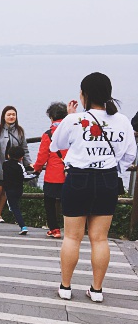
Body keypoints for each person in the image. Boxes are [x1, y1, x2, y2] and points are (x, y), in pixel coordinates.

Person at [51, 72, 137, 303]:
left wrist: (71, 117)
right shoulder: (123, 121)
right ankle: (97, 290)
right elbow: (130, 155)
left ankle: (66, 287)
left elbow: (55, 145)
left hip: (78, 178)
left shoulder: (74, 119)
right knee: (100, 239)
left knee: (72, 237)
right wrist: (114, 169)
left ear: (84, 95)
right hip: (107, 179)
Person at [0, 106, 32, 223]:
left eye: (13, 114)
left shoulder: (20, 131)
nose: (11, 117)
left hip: (13, 167)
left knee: (6, 191)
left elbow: (24, 149)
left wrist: (29, 164)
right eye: (9, 114)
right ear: (3, 116)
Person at [32, 102, 69, 238]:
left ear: (52, 117)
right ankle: (71, 229)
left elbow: (42, 156)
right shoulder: (72, 132)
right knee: (69, 202)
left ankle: (55, 229)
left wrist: (36, 169)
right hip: (71, 174)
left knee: (49, 202)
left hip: (53, 175)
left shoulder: (48, 134)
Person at [2, 145, 35, 235]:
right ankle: (11, 207)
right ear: (21, 158)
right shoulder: (20, 166)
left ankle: (23, 226)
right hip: (18, 190)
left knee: (14, 207)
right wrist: (36, 173)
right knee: (15, 204)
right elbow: (25, 177)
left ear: (8, 155)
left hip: (9, 189)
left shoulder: (5, 165)